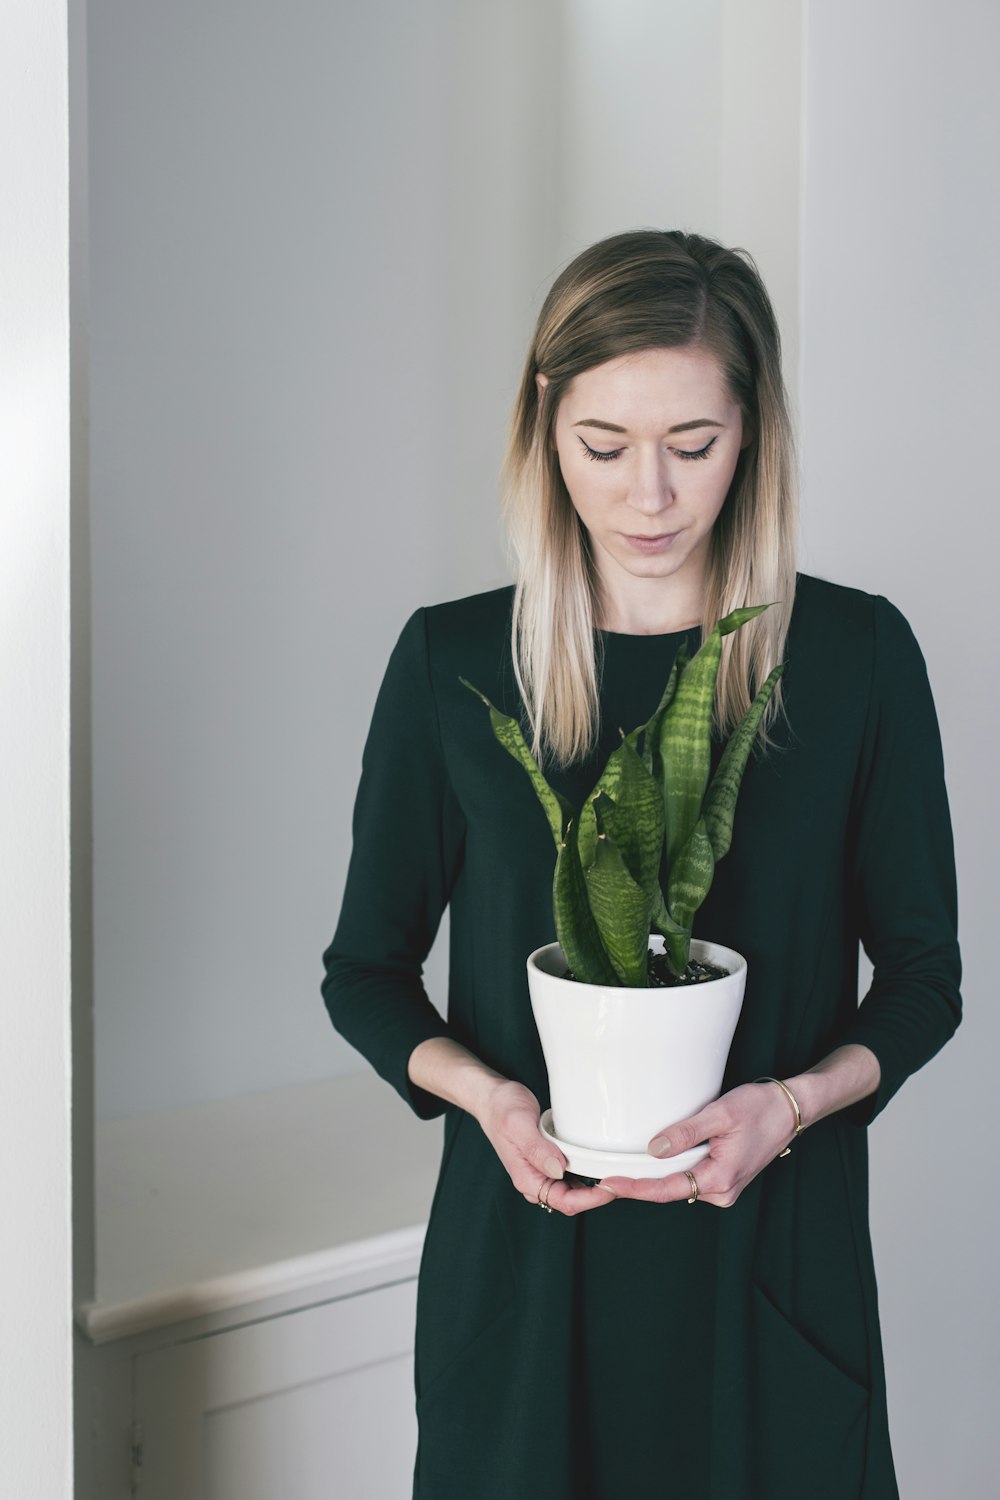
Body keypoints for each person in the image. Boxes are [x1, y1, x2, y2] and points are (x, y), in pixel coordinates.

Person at [320, 228, 962, 1499]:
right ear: (544, 430)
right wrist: (492, 1103)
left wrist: (785, 1107)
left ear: (754, 434)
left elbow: (924, 981)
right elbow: (367, 973)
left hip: (772, 1276)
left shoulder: (853, 658)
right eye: (603, 447)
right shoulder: (453, 665)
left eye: (694, 446)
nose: (647, 497)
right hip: (526, 1281)